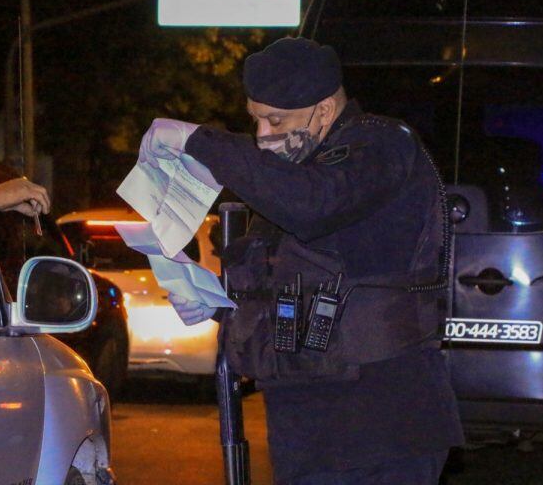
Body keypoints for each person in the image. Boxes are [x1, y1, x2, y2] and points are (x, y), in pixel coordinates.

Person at [139, 37, 464, 485]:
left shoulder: (380, 146)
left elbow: (313, 206)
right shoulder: (301, 174)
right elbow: (294, 284)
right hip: (312, 429)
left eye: (276, 120)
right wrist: (215, 302)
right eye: (255, 120)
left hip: (382, 425)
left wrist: (200, 141)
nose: (263, 137)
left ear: (325, 110)